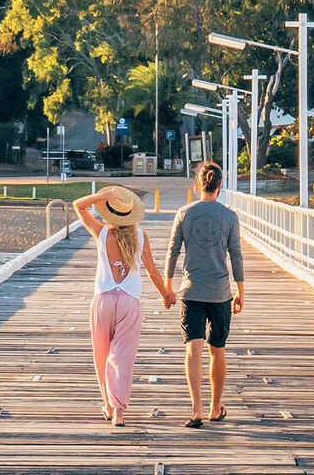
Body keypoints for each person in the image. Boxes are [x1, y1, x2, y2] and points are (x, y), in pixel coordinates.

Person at [74, 184, 174, 426]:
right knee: (123, 357)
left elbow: (78, 205)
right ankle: (119, 412)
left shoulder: (101, 232)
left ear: (109, 212)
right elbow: (152, 270)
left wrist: (103, 196)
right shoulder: (140, 236)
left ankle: (108, 405)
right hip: (129, 302)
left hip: (103, 301)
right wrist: (166, 295)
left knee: (102, 355)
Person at [166, 161, 245, 427]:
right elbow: (236, 256)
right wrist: (240, 291)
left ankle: (196, 409)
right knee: (217, 350)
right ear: (220, 185)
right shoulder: (230, 216)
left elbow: (173, 252)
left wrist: (168, 286)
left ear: (198, 184)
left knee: (193, 350)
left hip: (191, 291)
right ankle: (214, 408)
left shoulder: (184, 213)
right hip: (221, 292)